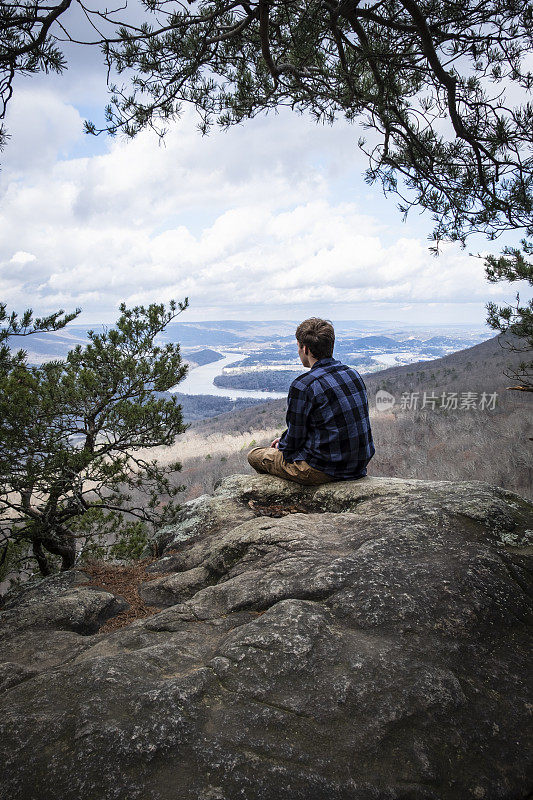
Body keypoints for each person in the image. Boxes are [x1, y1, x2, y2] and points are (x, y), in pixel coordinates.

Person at [247, 317, 375, 485]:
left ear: (305, 349)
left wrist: (282, 445)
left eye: (298, 347)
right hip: (358, 466)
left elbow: (294, 441)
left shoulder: (304, 385)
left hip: (323, 469)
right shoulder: (353, 375)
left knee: (255, 455)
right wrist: (285, 441)